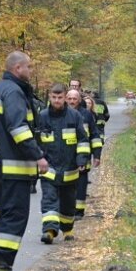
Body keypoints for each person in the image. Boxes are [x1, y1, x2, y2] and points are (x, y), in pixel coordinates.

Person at [0, 51, 48, 271]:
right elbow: (18, 128)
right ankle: (1, 268)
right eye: (29, 67)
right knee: (14, 218)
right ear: (17, 69)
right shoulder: (13, 92)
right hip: (14, 169)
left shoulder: (2, 89)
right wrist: (38, 155)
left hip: (3, 165)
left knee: (8, 218)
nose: (31, 71)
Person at [38, 84, 90, 244]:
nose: (57, 100)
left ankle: (67, 229)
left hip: (69, 169)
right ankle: (49, 230)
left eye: (60, 97)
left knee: (68, 202)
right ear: (50, 97)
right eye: (54, 97)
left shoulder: (74, 116)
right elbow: (37, 141)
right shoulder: (43, 116)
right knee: (49, 199)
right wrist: (39, 158)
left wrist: (82, 159)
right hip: (49, 168)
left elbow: (82, 139)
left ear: (65, 97)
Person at [70, 92, 102, 219]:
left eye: (74, 99)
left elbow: (94, 135)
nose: (72, 101)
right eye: (70, 98)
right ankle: (68, 209)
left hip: (84, 154)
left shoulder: (86, 114)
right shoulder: (62, 113)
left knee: (81, 184)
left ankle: (79, 211)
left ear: (79, 100)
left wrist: (97, 155)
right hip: (67, 155)